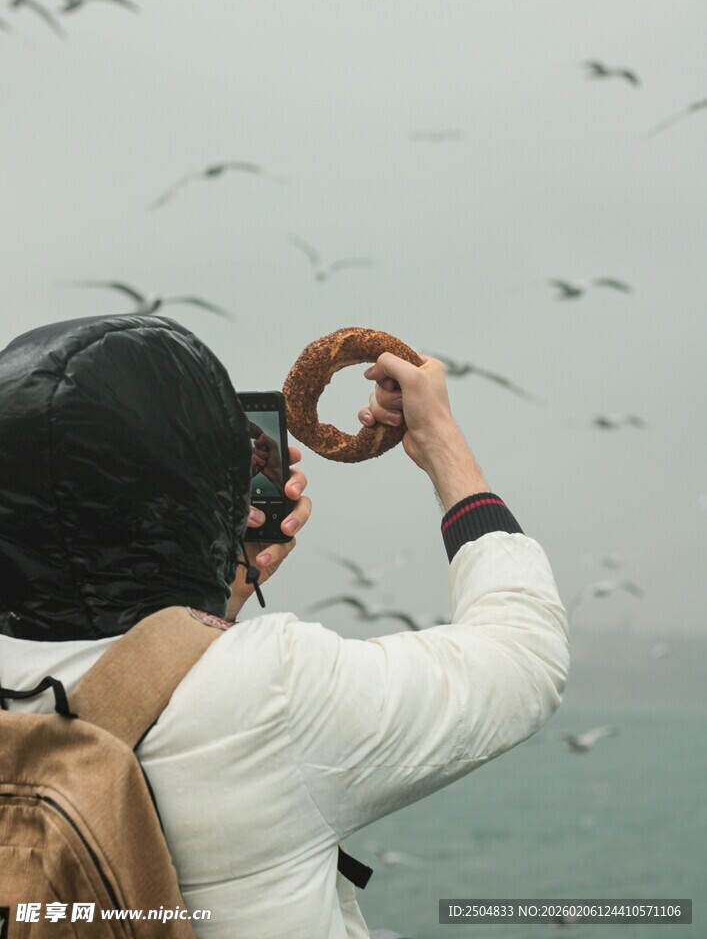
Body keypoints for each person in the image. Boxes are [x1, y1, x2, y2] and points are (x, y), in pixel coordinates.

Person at [0, 314, 569, 939]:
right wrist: (440, 444)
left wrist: (215, 599)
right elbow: (524, 658)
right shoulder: (272, 690)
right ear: (204, 490)